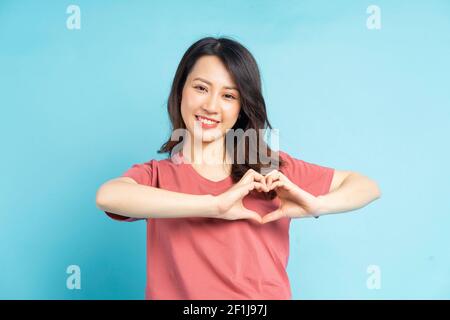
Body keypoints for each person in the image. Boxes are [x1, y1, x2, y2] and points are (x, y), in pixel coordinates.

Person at [95, 37, 381, 300]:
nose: (210, 106)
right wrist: (214, 206)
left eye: (228, 96)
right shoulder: (156, 176)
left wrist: (315, 205)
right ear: (180, 90)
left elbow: (366, 186)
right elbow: (109, 196)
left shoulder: (270, 169)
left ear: (242, 106)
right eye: (201, 88)